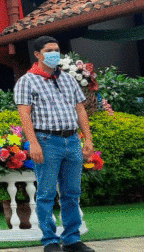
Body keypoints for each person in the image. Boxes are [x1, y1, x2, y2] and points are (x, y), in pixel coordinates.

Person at [15, 36, 96, 252]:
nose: (54, 53)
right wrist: (33, 143)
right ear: (38, 55)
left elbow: (80, 109)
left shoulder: (68, 79)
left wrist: (87, 138)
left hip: (72, 140)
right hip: (47, 140)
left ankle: (71, 238)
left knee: (71, 192)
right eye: (49, 50)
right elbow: (25, 115)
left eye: (57, 49)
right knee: (46, 193)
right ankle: (50, 240)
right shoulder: (27, 81)